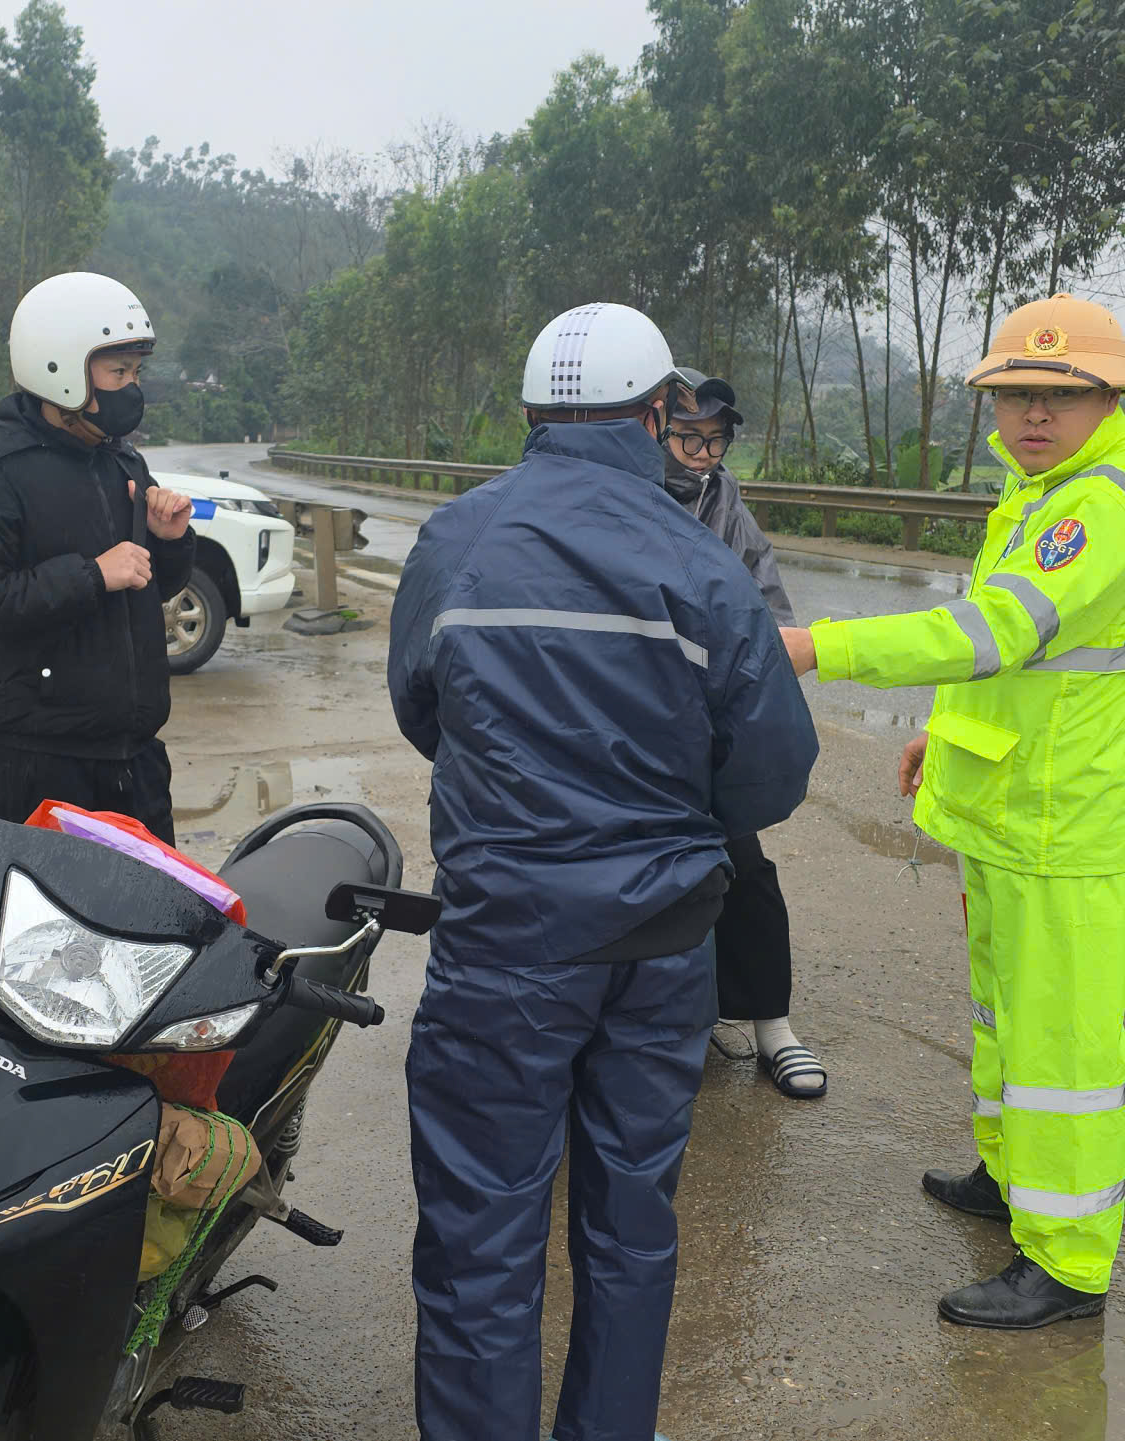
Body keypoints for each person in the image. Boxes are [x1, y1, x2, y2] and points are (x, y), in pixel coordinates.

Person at [391, 302, 820, 1441]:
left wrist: (518, 791)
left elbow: (423, 708)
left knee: (481, 1231)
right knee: (631, 1226)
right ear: (655, 413)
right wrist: (667, 822)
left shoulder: (457, 541)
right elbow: (772, 771)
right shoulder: (700, 559)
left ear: (534, 414)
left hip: (503, 941)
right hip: (661, 948)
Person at [779, 293, 1125, 1329]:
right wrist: (941, 734)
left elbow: (991, 630)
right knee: (1005, 1018)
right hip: (1016, 806)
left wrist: (823, 646)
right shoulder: (1039, 493)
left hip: (1062, 822)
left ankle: (1068, 1260)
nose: (1032, 414)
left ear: (1109, 401)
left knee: (1062, 1047)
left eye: (1058, 395)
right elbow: (1013, 660)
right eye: (1013, 394)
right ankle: (1009, 1178)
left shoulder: (1097, 507)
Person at [0, 271, 197, 841]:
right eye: (118, 372)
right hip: (42, 765)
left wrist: (170, 539)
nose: (132, 388)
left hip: (138, 762)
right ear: (59, 367)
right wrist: (92, 575)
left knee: (160, 901)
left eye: (136, 373)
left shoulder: (122, 460)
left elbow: (155, 583)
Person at [661, 369, 827, 1101]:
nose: (702, 454)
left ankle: (772, 1025)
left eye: (715, 440)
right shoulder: (626, 492)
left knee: (743, 866)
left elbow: (766, 601)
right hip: (626, 716)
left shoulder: (726, 500)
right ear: (655, 431)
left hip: (705, 718)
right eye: (688, 439)